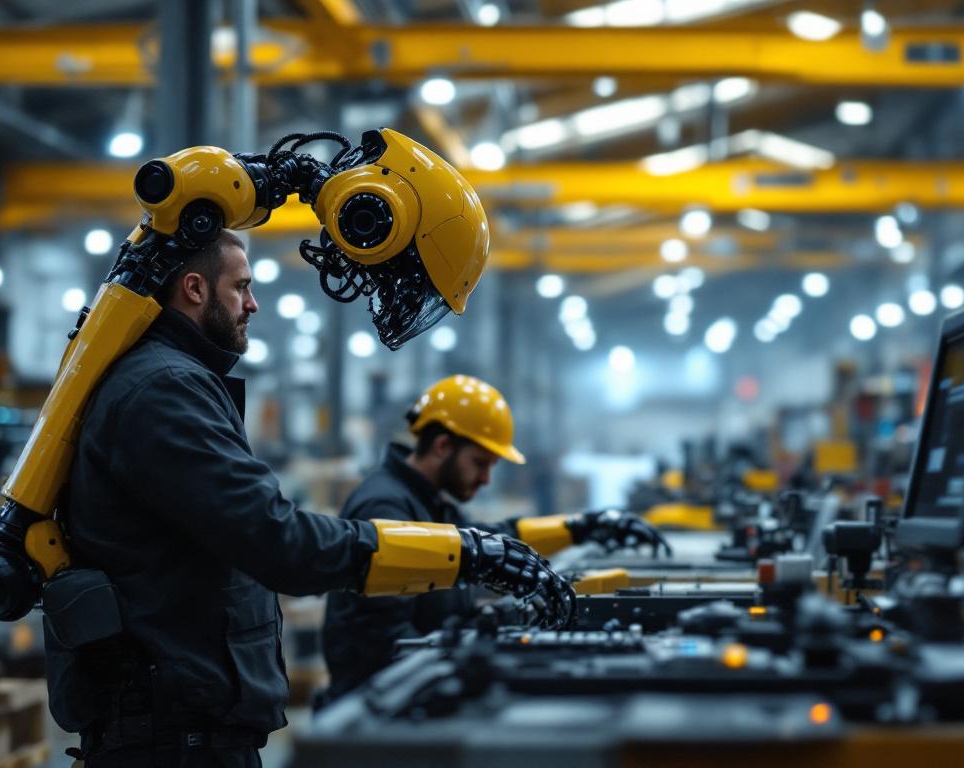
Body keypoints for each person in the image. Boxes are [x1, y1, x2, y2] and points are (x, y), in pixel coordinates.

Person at [57, 232, 573, 767]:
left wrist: (526, 541)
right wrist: (466, 554)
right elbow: (279, 541)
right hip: (171, 737)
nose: (253, 304)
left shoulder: (173, 382)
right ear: (194, 289)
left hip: (184, 723)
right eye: (241, 287)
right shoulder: (165, 389)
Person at [320, 375, 669, 702]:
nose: (486, 479)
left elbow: (491, 546)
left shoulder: (428, 500)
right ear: (442, 446)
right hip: (380, 709)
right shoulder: (386, 507)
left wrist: (579, 527)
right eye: (480, 463)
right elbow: (387, 642)